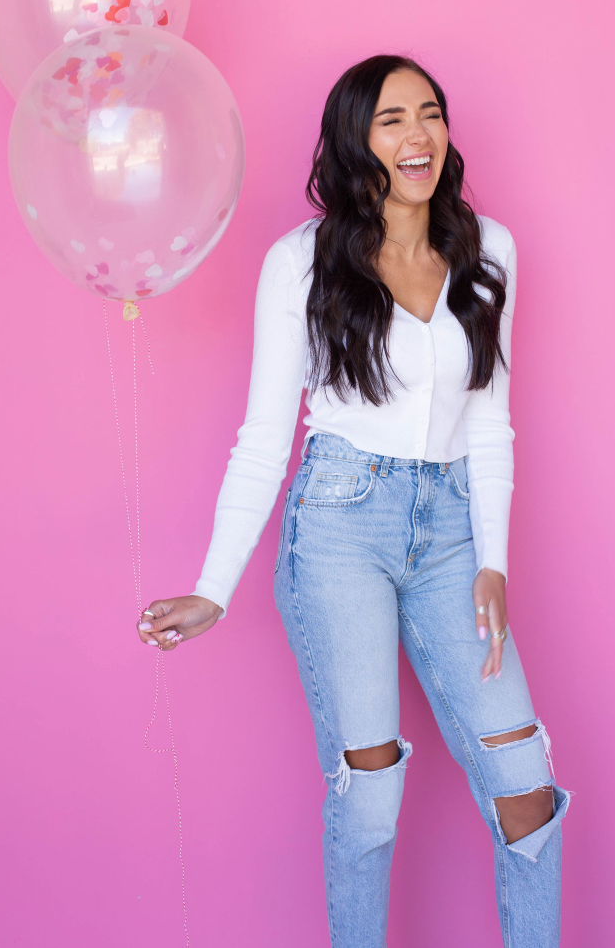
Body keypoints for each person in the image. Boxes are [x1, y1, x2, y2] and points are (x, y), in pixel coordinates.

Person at [136, 55, 571, 948]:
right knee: (370, 791)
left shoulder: (491, 250)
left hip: (453, 532)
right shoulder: (299, 262)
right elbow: (265, 440)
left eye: (431, 114)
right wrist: (214, 586)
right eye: (391, 121)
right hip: (339, 527)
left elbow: (491, 423)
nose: (419, 136)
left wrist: (491, 559)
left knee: (525, 782)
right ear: (354, 141)